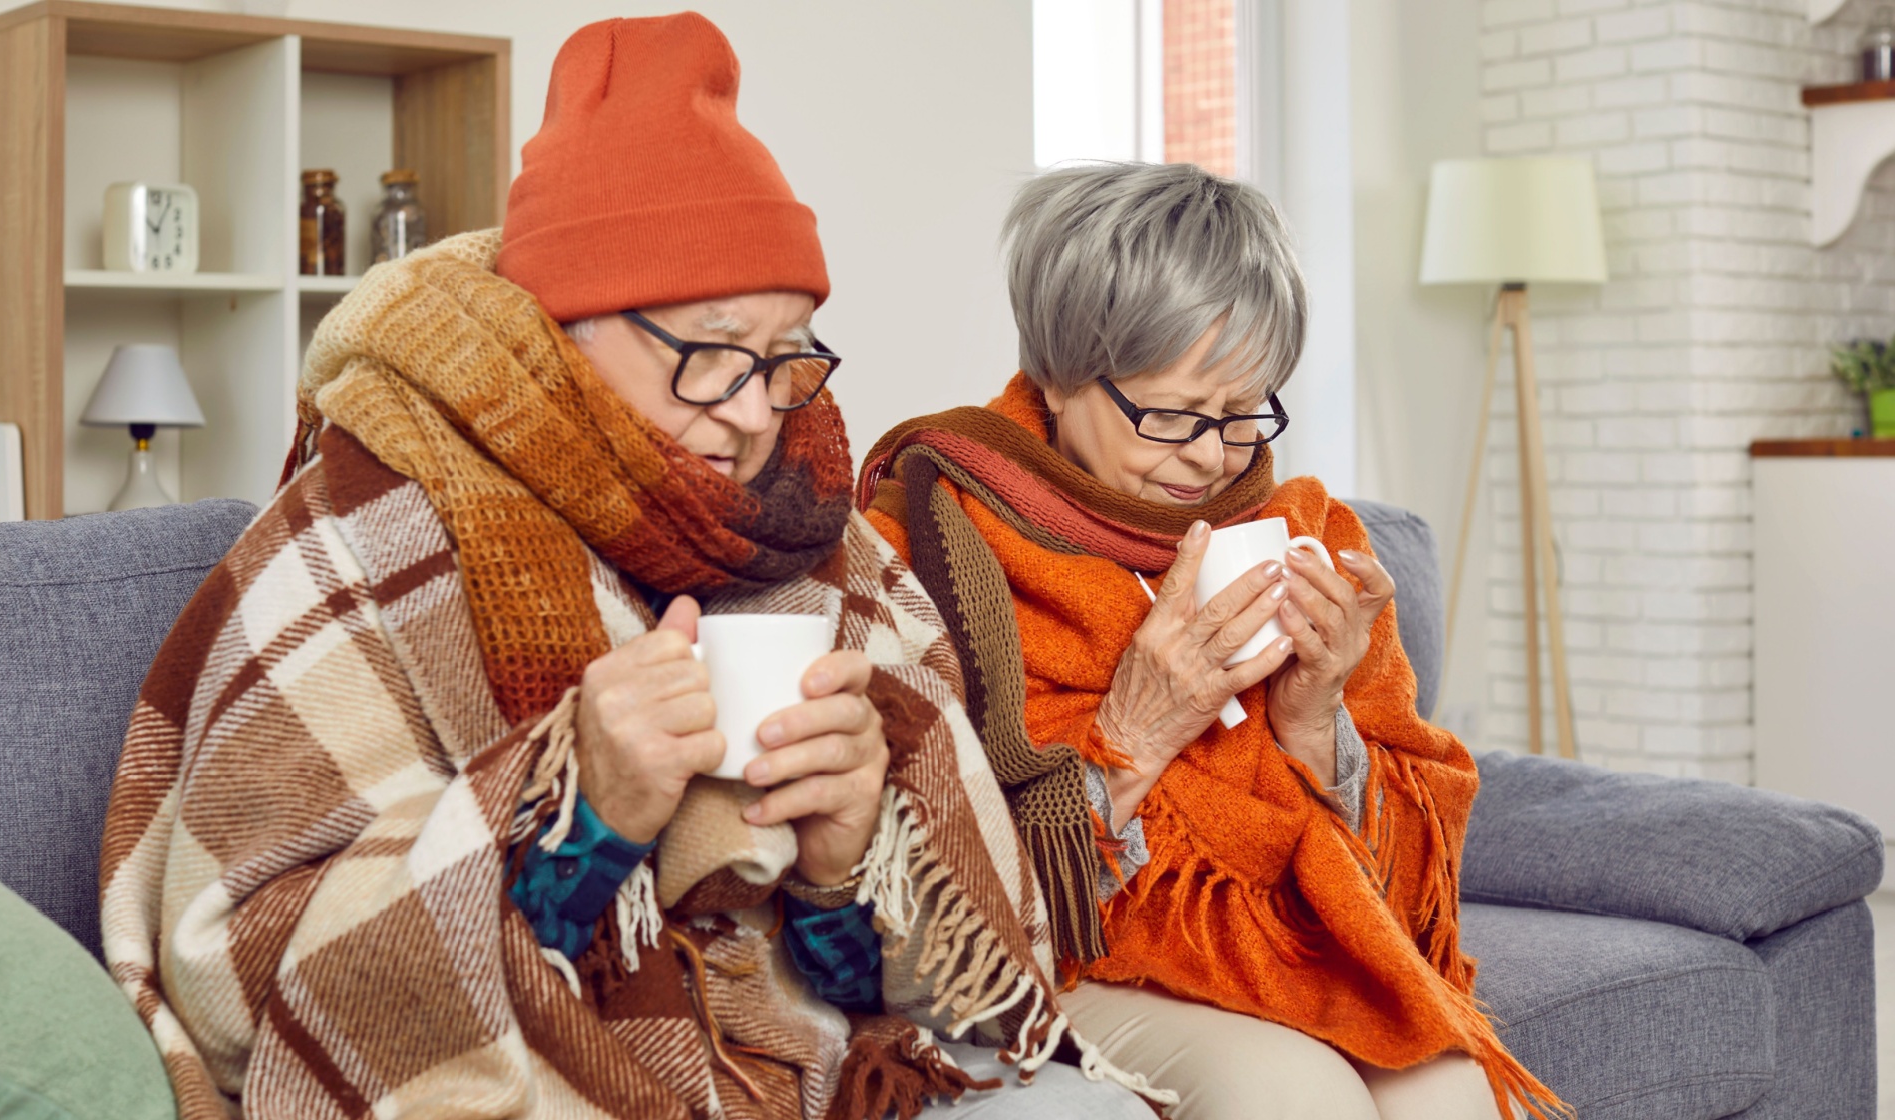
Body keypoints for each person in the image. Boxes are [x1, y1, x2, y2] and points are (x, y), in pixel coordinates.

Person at [98, 17, 1160, 1120]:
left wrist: (847, 862)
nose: (753, 414)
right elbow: (241, 986)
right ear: (566, 330)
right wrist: (583, 816)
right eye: (709, 354)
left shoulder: (823, 548)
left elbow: (910, 1009)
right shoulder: (368, 528)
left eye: (784, 354)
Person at [860, 162, 1566, 1120]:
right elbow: (915, 887)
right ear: (1061, 376)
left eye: (1245, 414)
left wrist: (1317, 723)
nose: (1210, 456)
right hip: (1070, 957)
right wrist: (1136, 731)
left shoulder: (1312, 538)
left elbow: (1405, 889)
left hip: (1300, 943)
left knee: (1456, 1090)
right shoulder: (933, 541)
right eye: (1173, 415)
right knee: (1294, 1099)